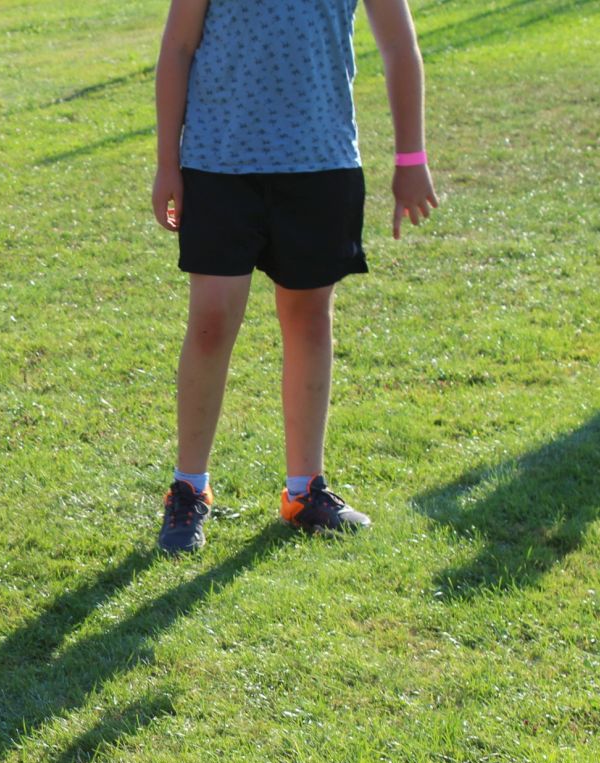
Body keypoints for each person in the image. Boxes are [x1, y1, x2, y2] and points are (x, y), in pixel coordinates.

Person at [151, 0, 439, 553]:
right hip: (217, 165)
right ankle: (188, 489)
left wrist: (411, 158)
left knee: (308, 320)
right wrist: (168, 163)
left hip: (320, 163)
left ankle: (305, 491)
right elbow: (178, 47)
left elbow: (399, 47)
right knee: (210, 322)